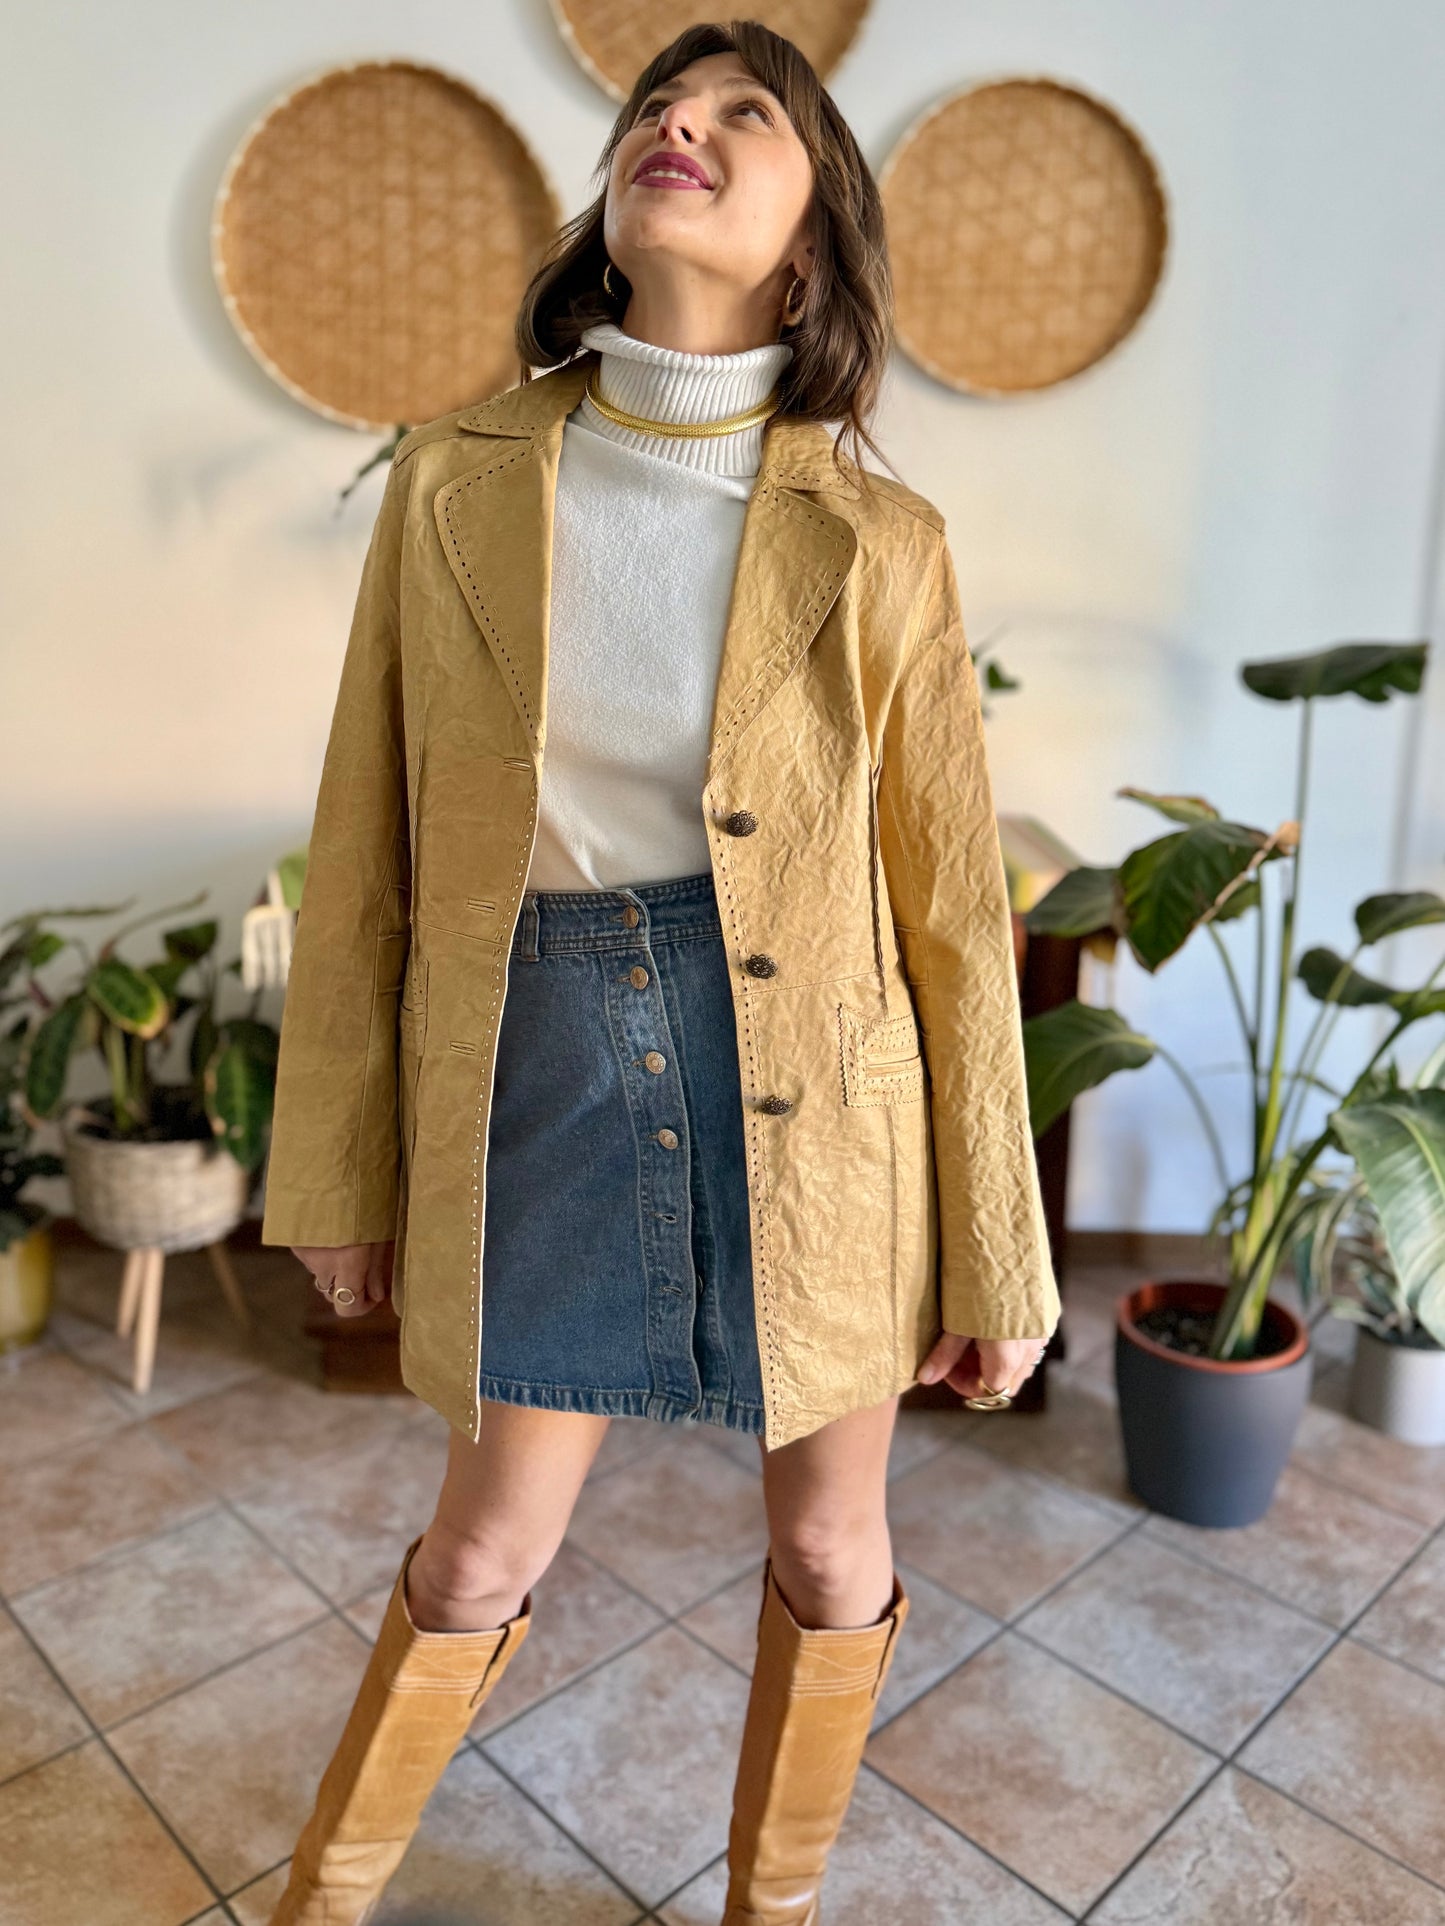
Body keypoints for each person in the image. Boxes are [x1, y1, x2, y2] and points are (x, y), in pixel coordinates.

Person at [259, 21, 1060, 1925]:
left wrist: (997, 1249)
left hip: (823, 1078)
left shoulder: (882, 541)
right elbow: (362, 848)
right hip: (541, 1052)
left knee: (832, 1537)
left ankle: (767, 1905)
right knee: (472, 1558)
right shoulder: (453, 480)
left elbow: (952, 910)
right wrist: (337, 1169)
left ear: (808, 244)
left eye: (742, 115)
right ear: (614, 198)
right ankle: (320, 1896)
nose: (677, 126)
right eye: (654, 108)